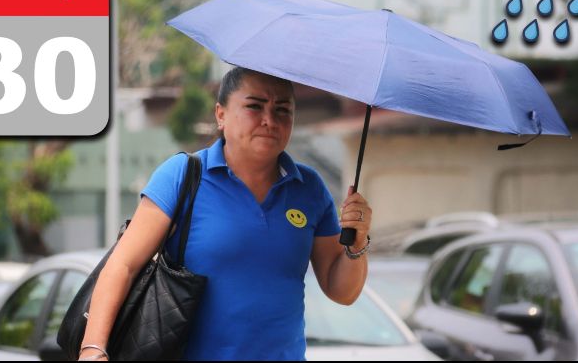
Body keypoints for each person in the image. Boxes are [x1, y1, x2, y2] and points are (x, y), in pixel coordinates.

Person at [79, 67, 373, 361]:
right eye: (254, 106)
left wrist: (357, 244)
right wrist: (92, 349)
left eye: (283, 110)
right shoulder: (182, 176)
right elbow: (123, 265)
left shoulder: (309, 188)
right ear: (221, 115)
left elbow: (341, 291)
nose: (269, 120)